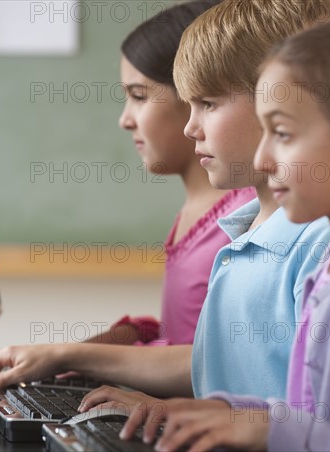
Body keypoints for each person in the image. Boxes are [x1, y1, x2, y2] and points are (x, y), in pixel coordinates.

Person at [0, 0, 330, 406]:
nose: (190, 125)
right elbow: (215, 366)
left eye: (207, 103)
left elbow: (320, 414)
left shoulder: (321, 244)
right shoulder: (244, 230)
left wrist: (181, 409)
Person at [138, 8, 330, 452]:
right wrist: (227, 412)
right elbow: (312, 416)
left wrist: (269, 431)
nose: (261, 160)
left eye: (284, 134)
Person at [85, 0, 255, 347]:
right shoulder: (199, 208)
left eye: (139, 96)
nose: (125, 119)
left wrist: (77, 358)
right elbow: (191, 331)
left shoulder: (250, 216)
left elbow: (223, 361)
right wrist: (133, 333)